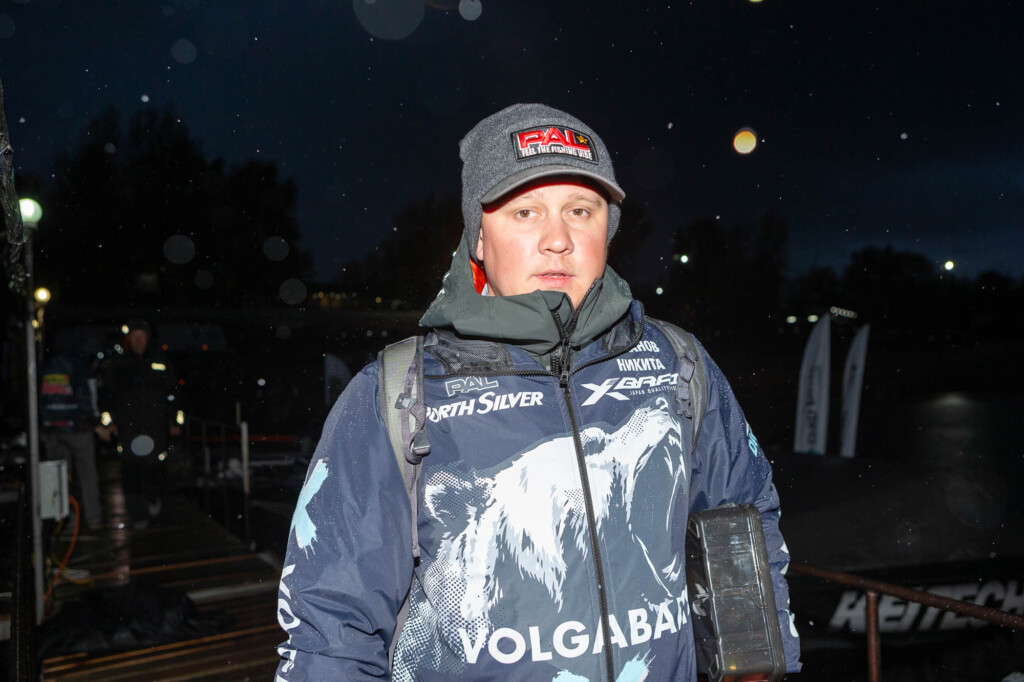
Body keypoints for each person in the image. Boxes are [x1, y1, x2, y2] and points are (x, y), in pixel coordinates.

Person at [275, 103, 801, 680]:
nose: (558, 239)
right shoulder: (397, 393)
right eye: (525, 212)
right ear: (479, 239)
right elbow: (331, 629)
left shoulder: (680, 364)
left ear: (608, 230)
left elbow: (745, 536)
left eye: (580, 210)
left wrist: (756, 670)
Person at [96, 319, 180, 529]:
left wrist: (174, 420)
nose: (138, 340)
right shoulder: (118, 363)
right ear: (129, 338)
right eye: (134, 335)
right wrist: (109, 422)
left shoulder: (160, 360)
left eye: (142, 335)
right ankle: (138, 514)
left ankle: (154, 498)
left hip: (156, 426)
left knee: (155, 467)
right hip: (128, 428)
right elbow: (106, 395)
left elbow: (172, 393)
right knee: (131, 470)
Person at [39, 335, 104, 530]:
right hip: (78, 430)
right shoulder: (79, 365)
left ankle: (62, 521)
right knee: (87, 475)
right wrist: (96, 423)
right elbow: (86, 396)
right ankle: (94, 518)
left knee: (58, 478)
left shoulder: (44, 367)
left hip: (51, 430)